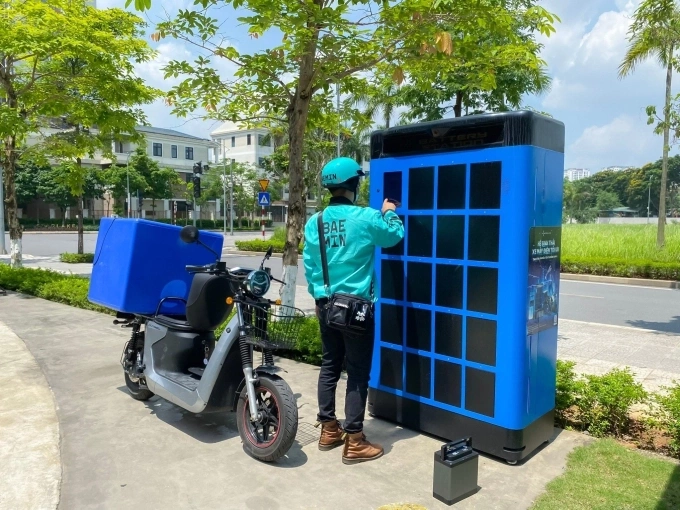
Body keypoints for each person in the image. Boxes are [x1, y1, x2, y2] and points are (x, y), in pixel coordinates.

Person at [302, 156, 404, 465]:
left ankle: (328, 430)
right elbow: (393, 236)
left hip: (325, 305)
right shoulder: (366, 217)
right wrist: (390, 211)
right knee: (357, 373)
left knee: (330, 366)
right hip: (356, 309)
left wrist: (320, 298)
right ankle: (355, 441)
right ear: (354, 185)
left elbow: (310, 265)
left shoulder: (315, 222)